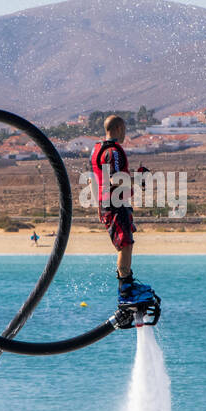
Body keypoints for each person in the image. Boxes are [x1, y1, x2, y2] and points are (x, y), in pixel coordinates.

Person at [90, 115, 154, 307]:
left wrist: (97, 207)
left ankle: (128, 284)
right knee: (125, 245)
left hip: (106, 204)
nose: (125, 133)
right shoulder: (113, 152)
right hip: (115, 205)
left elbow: (95, 180)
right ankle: (125, 290)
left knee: (127, 243)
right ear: (118, 128)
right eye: (124, 129)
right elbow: (115, 179)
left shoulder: (96, 149)